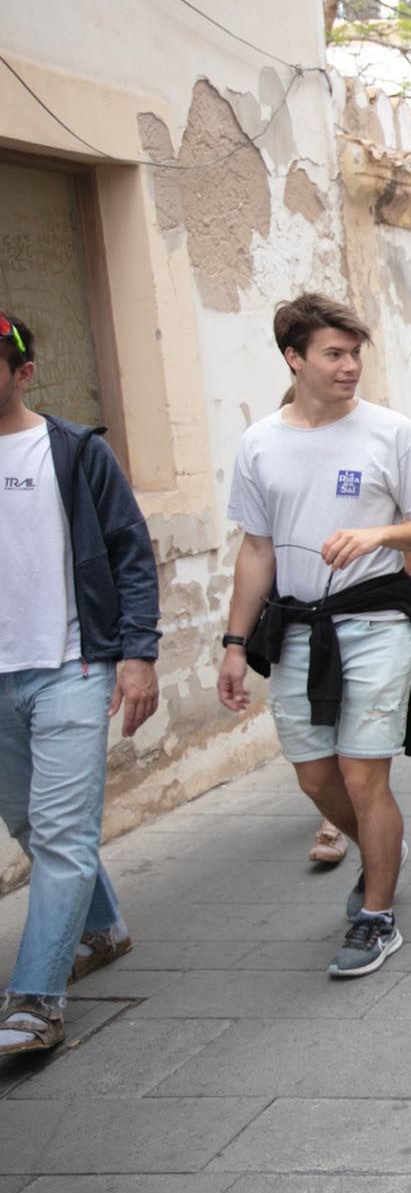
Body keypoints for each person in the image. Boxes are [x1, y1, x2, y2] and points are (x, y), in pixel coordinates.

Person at [218, 293, 411, 979]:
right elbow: (256, 550)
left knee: (361, 769)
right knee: (315, 778)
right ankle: (383, 849)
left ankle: (375, 917)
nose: (349, 367)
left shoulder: (391, 432)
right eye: (333, 354)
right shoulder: (260, 443)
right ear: (294, 358)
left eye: (355, 353)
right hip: (297, 628)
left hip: (375, 618)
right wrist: (233, 642)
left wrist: (378, 531)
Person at [0, 310, 160, 1057]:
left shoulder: (72, 452)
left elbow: (130, 551)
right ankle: (103, 926)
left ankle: (35, 999)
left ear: (22, 371)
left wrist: (138, 654)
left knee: (61, 832)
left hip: (72, 664)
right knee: (33, 827)